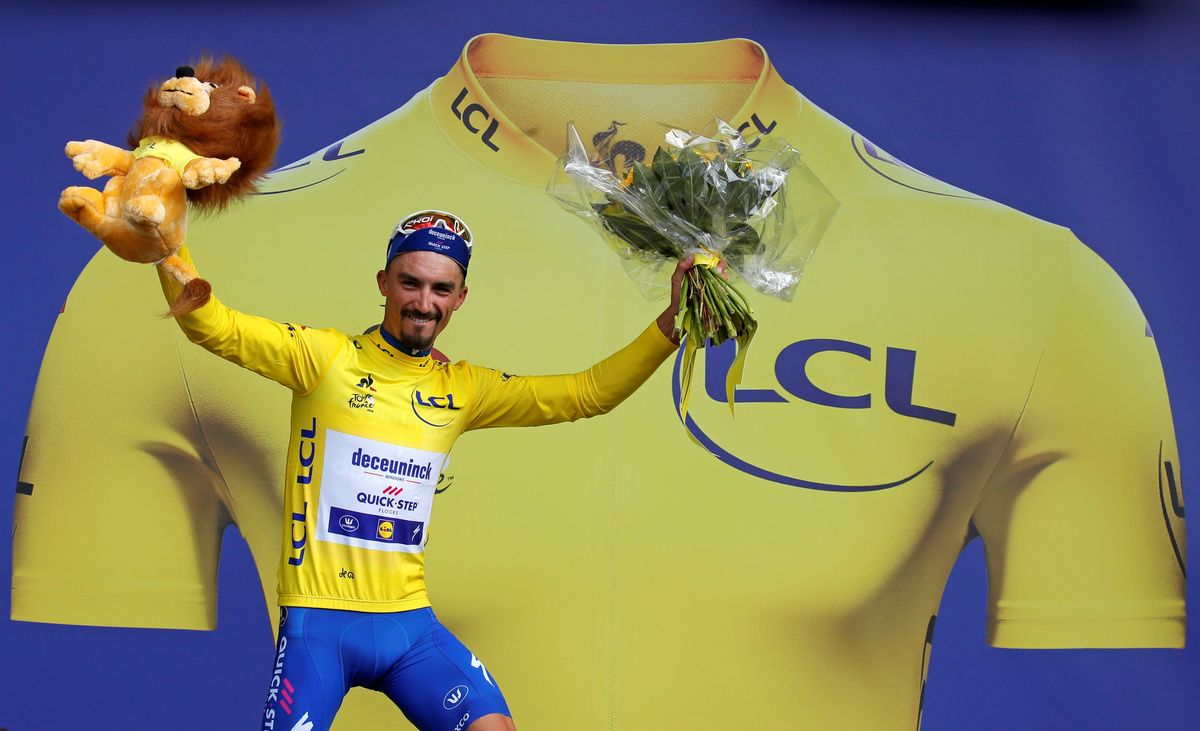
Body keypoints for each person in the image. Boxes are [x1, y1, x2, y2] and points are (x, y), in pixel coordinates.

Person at [159, 209, 694, 731]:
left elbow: (586, 394)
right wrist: (164, 239)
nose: (423, 303)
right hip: (319, 626)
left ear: (460, 297)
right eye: (409, 283)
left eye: (441, 289)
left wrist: (673, 323)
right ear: (383, 282)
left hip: (409, 628)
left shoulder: (463, 388)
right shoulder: (325, 358)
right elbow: (209, 324)